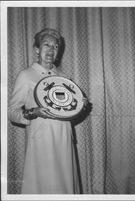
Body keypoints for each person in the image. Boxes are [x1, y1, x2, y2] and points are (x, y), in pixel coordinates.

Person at [8, 28, 88, 194]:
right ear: (37, 49)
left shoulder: (64, 78)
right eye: (47, 45)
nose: (51, 50)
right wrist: (33, 112)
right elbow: (11, 111)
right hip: (42, 142)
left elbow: (67, 114)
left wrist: (80, 107)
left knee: (65, 187)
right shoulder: (26, 75)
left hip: (64, 139)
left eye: (55, 46)